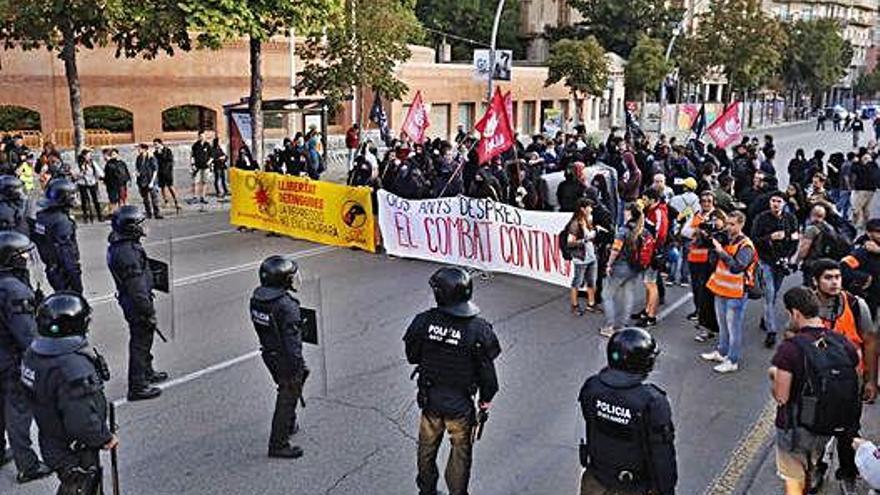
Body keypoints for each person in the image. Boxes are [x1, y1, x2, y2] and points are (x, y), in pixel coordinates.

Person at [403, 267, 501, 495]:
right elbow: (488, 373)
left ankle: (426, 491)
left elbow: (412, 356)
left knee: (426, 450)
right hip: (460, 406)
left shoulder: (423, 322)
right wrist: (485, 401)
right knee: (461, 453)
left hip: (431, 402)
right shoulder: (479, 329)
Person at [20, 292, 117, 495]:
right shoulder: (72, 367)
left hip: (51, 441)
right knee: (81, 488)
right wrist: (103, 437)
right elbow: (80, 419)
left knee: (72, 486)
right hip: (76, 449)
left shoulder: (33, 354)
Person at [770, 286, 860, 495]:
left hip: (795, 427)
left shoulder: (790, 349)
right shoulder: (841, 342)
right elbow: (855, 370)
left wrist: (774, 376)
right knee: (812, 465)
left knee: (795, 481)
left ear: (795, 313)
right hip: (827, 423)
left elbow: (782, 397)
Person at [578, 327, 677, 495]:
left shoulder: (592, 387)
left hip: (595, 480)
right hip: (634, 487)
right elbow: (662, 456)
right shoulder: (652, 402)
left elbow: (590, 420)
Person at [811, 258, 877, 494]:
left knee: (847, 430)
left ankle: (848, 474)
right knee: (814, 428)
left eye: (837, 277)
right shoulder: (806, 305)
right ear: (815, 281)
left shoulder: (856, 304)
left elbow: (869, 342)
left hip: (850, 382)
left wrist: (870, 380)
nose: (834, 282)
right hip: (817, 383)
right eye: (828, 278)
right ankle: (816, 468)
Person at [0, 231, 52, 483]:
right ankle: (27, 465)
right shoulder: (13, 290)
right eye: (21, 254)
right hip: (10, 359)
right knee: (18, 410)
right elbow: (26, 336)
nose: (25, 258)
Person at [249, 255, 309, 459]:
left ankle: (289, 423)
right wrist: (296, 365)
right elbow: (293, 342)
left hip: (270, 353)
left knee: (291, 385)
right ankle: (279, 443)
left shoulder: (258, 299)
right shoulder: (286, 305)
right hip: (285, 357)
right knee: (288, 393)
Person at [106, 206, 168, 401]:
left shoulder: (125, 245)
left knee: (145, 338)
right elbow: (136, 287)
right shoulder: (127, 253)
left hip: (134, 300)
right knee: (140, 342)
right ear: (130, 227)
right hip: (136, 303)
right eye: (140, 224)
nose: (144, 227)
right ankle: (138, 386)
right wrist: (148, 311)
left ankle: (147, 372)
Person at [700, 211, 756, 373]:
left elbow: (737, 267)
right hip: (721, 289)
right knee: (723, 325)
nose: (729, 227)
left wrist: (721, 252)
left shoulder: (746, 245)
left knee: (734, 327)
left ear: (741, 224)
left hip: (736, 292)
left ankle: (732, 360)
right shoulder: (725, 238)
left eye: (732, 224)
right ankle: (722, 351)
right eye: (728, 224)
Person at [751, 191, 799, 348]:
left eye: (779, 201)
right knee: (769, 294)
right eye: (773, 201)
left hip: (781, 262)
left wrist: (789, 256)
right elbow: (754, 240)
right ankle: (771, 332)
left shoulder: (790, 219)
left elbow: (795, 239)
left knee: (775, 293)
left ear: (784, 204)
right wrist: (770, 238)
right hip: (766, 261)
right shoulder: (761, 218)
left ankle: (765, 318)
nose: (775, 204)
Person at [601, 204, 648, 337]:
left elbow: (615, 250)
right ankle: (623, 325)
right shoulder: (642, 229)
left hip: (621, 266)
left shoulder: (623, 230)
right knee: (628, 295)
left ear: (629, 213)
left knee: (607, 295)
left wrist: (608, 264)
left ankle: (610, 326)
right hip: (635, 267)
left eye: (625, 212)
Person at [681, 192, 722, 342]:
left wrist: (708, 231)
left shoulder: (718, 216)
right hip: (695, 258)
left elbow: (721, 235)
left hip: (710, 261)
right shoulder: (697, 215)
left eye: (709, 201)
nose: (706, 203)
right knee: (697, 291)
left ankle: (709, 326)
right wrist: (697, 230)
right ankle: (701, 315)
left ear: (714, 202)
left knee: (707, 294)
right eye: (703, 201)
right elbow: (685, 231)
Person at [32, 179, 83, 294]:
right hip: (64, 272)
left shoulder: (41, 217)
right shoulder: (62, 222)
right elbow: (66, 254)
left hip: (51, 269)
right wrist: (76, 280)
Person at [567, 198, 600, 315]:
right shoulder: (575, 223)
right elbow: (570, 242)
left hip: (591, 256)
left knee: (591, 282)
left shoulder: (588, 220)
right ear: (582, 209)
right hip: (581, 259)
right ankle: (574, 306)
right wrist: (585, 240)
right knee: (577, 282)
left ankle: (591, 304)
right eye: (589, 207)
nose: (591, 209)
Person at [73, 148, 103, 224]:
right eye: (87, 155)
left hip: (92, 182)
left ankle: (99, 215)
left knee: (95, 199)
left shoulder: (92, 163)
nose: (89, 156)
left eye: (90, 155)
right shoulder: (79, 164)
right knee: (84, 200)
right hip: (82, 183)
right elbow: (75, 175)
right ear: (83, 156)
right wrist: (82, 173)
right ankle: (86, 216)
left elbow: (99, 172)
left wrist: (100, 177)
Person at [135, 144, 162, 219]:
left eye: (139, 148)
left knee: (154, 197)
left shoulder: (151, 157)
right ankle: (148, 213)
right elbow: (137, 168)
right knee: (145, 198)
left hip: (150, 179)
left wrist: (152, 182)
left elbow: (155, 170)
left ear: (144, 149)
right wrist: (137, 173)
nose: (138, 150)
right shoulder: (139, 158)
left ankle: (157, 213)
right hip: (142, 180)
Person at [153, 138, 180, 213]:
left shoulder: (167, 150)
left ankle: (176, 201)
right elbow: (156, 163)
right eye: (154, 145)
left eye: (156, 144)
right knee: (162, 187)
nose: (155, 146)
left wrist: (167, 169)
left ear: (160, 143)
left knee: (170, 187)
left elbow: (170, 161)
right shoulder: (155, 153)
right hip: (160, 172)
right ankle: (166, 201)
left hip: (167, 172)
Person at [191, 131, 212, 204]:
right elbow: (192, 156)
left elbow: (211, 155)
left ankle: (203, 197)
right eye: (200, 136)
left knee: (204, 182)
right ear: (198, 137)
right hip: (197, 167)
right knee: (195, 182)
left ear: (205, 137)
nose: (202, 137)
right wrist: (193, 165)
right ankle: (195, 197)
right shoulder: (195, 145)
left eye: (203, 136)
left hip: (206, 167)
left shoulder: (207, 145)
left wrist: (209, 162)